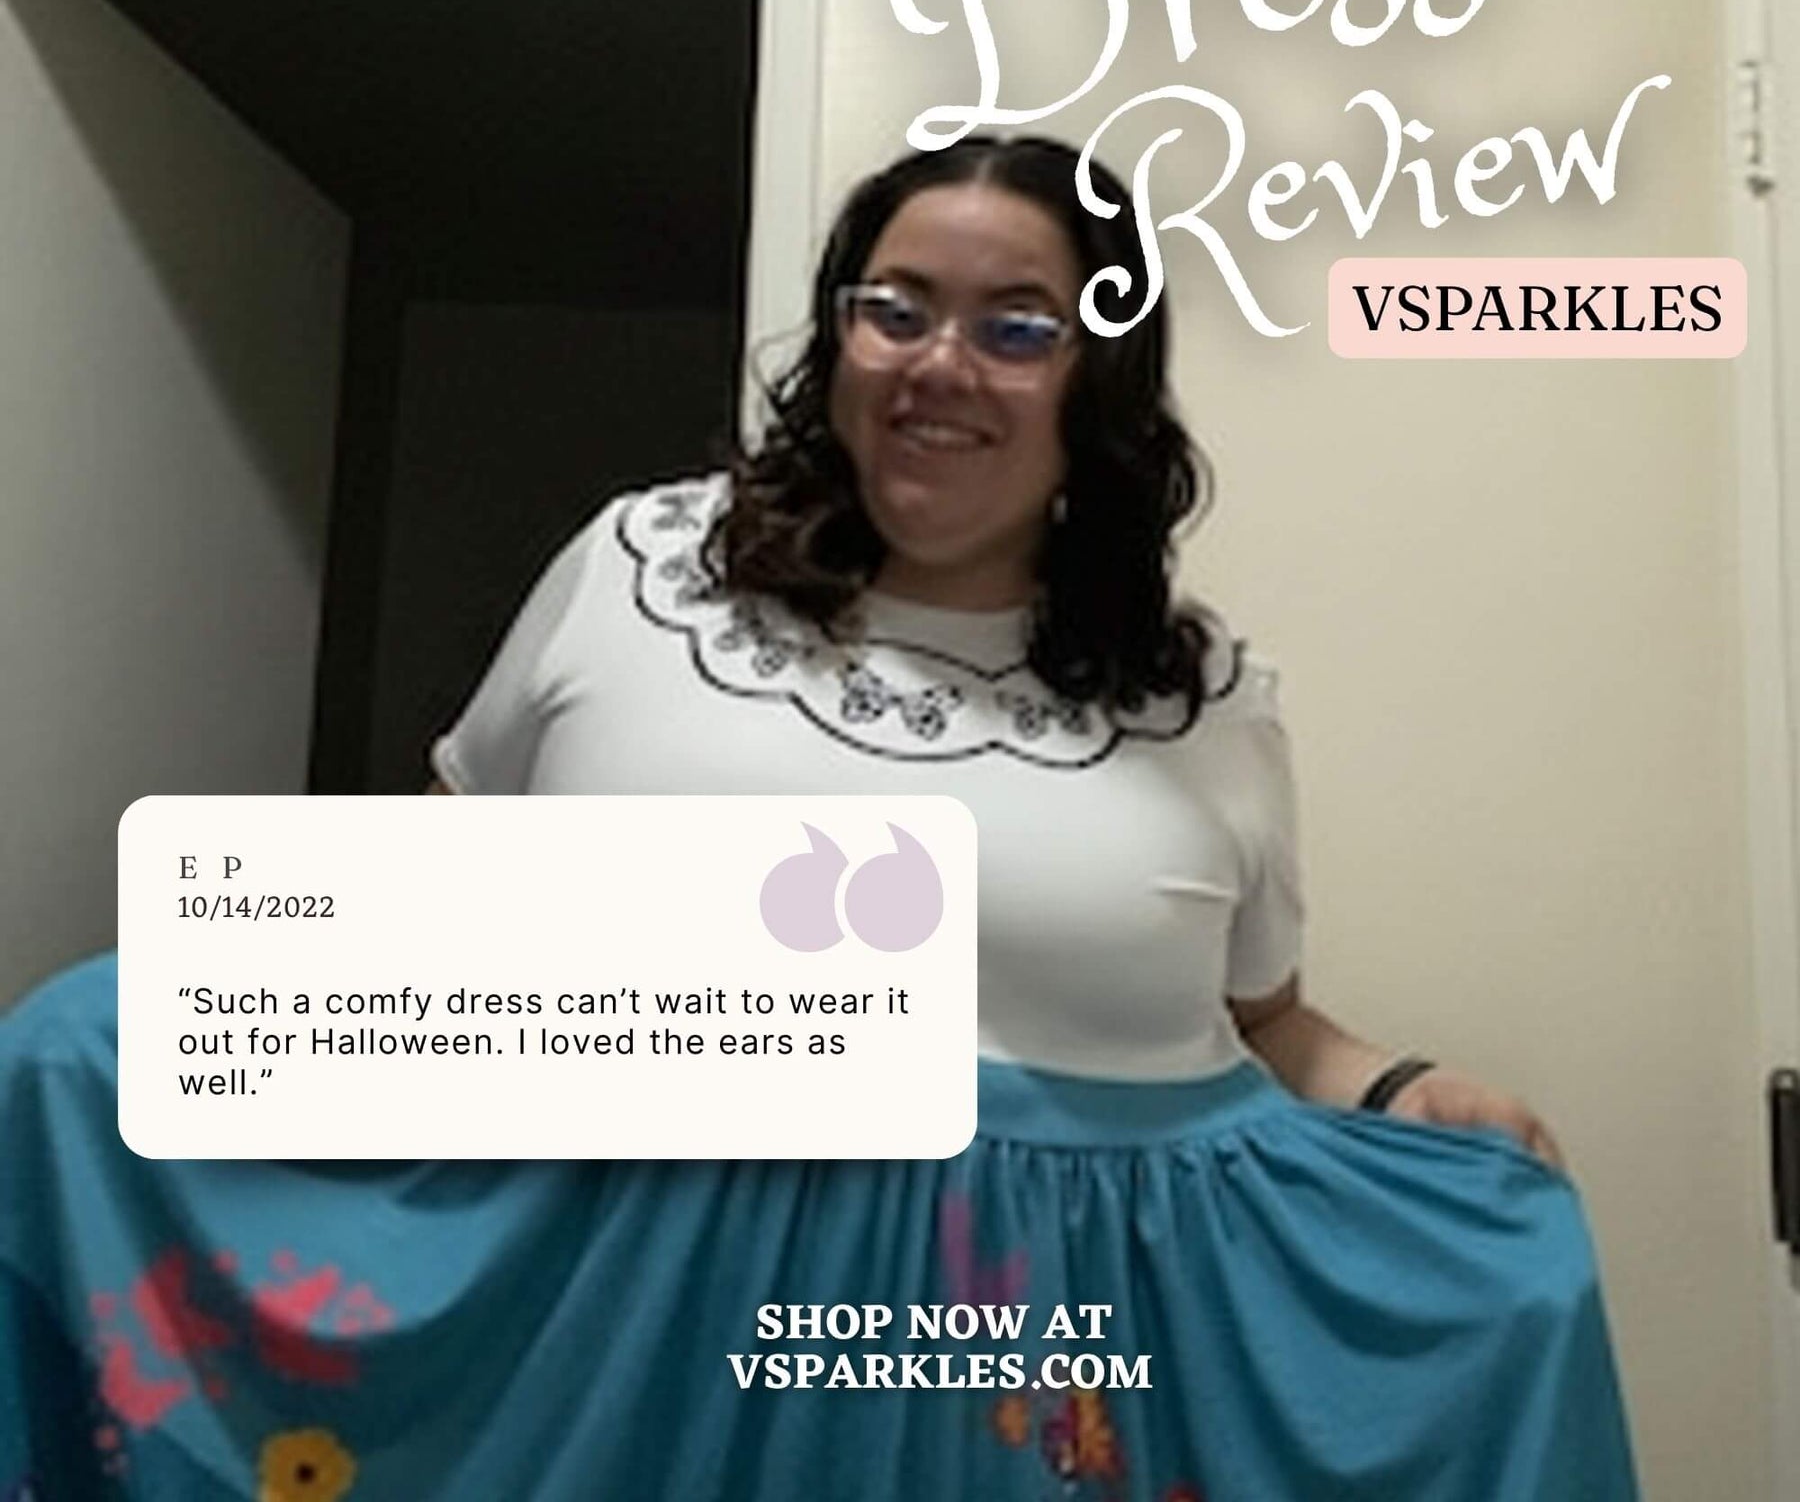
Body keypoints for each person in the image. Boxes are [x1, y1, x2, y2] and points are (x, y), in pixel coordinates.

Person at [0, 136, 1639, 1501]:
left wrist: (1404, 1090)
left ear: (1098, 379)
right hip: (621, 1316)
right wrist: (194, 1018)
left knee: (1511, 1259)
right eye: (895, 309)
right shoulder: (642, 567)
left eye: (1017, 326)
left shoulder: (1205, 697)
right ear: (841, 335)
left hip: (1022, 1358)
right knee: (80, 1048)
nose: (940, 364)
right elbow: (435, 894)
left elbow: (1266, 1024)